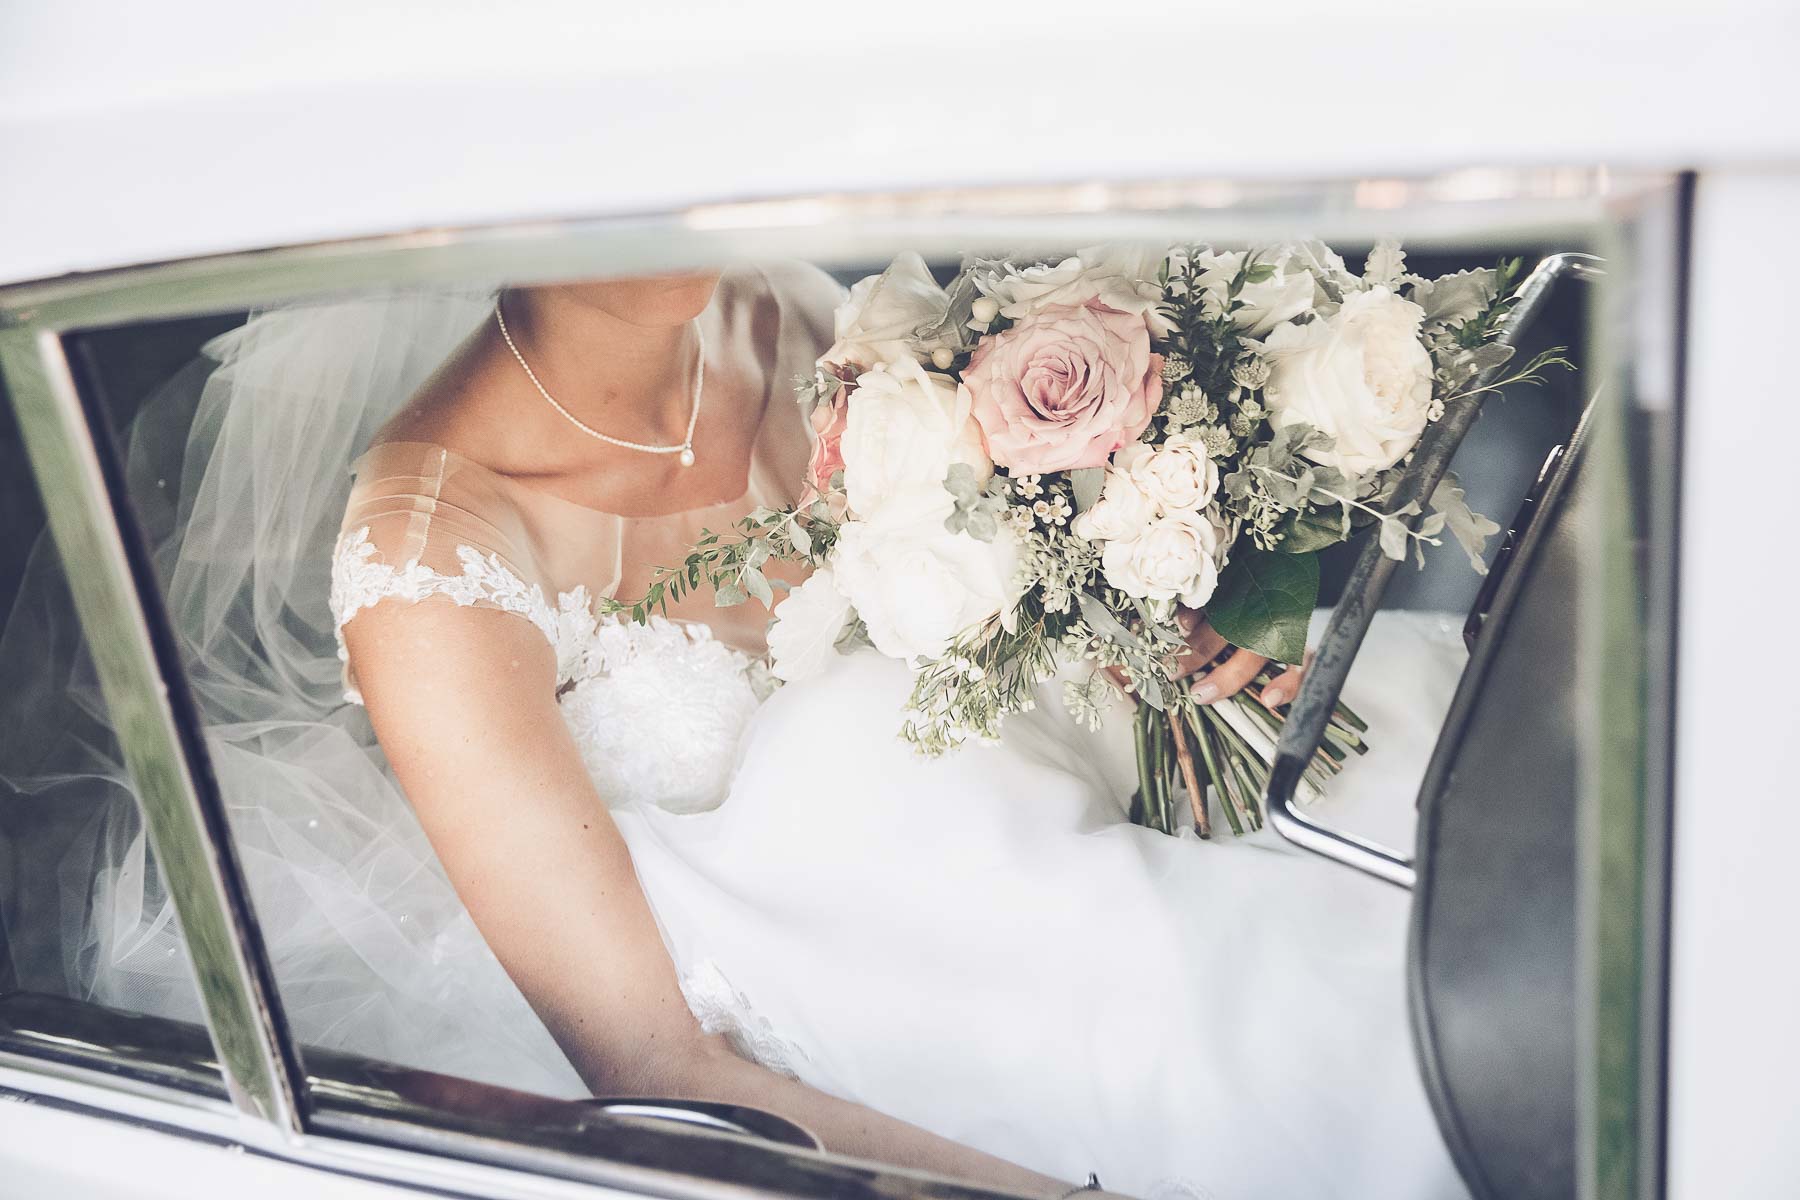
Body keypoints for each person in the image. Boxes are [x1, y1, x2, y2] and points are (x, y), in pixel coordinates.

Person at [3, 262, 1467, 1198]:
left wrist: (1153, 640)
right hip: (833, 1003)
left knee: (1425, 795)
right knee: (1298, 1041)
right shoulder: (431, 559)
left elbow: (990, 604)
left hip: (1034, 805)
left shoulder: (784, 311)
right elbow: (650, 1061)